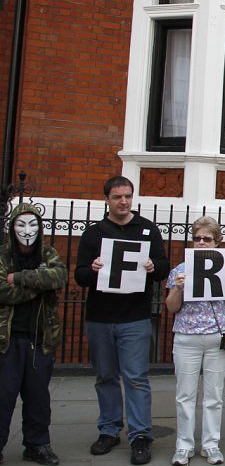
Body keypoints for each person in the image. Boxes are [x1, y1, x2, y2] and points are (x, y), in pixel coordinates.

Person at [74, 175, 169, 465]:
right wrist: (92, 270)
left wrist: (154, 267)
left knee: (137, 378)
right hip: (101, 317)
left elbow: (163, 268)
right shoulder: (94, 233)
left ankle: (140, 436)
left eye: (127, 196)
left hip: (135, 317)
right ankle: (109, 430)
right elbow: (79, 275)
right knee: (105, 377)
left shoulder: (147, 229)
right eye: (117, 197)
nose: (123, 201)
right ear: (107, 199)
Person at [165, 217, 225, 465]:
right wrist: (177, 288)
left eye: (206, 239)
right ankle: (184, 446)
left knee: (214, 395)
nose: (201, 243)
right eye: (197, 238)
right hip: (187, 336)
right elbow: (171, 307)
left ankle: (211, 444)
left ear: (217, 243)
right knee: (185, 394)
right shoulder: (180, 269)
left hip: (217, 336)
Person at [0, 204, 66, 466]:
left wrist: (19, 277)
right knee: (3, 397)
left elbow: (58, 277)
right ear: (12, 226)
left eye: (33, 225)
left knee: (38, 397)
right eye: (21, 224)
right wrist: (38, 285)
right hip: (8, 339)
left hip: (41, 338)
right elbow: (2, 292)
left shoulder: (48, 252)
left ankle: (37, 445)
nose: (27, 230)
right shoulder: (4, 256)